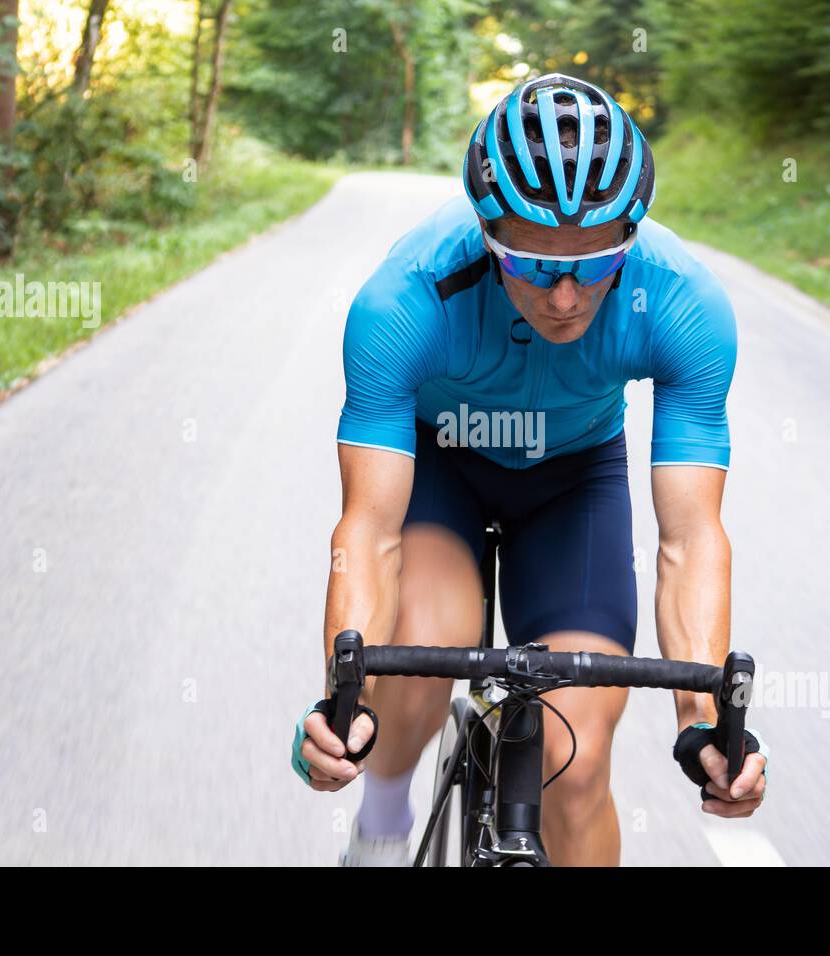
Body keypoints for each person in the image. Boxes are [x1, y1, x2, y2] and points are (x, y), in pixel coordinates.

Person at [293, 73, 768, 866]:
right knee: (423, 645)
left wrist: (702, 721)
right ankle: (380, 822)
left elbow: (691, 537)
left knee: (574, 760)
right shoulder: (405, 299)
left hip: (574, 485)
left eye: (598, 259)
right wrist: (346, 708)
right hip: (443, 468)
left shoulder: (683, 303)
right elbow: (368, 531)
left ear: (633, 232)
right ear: (486, 231)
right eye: (534, 264)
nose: (567, 297)